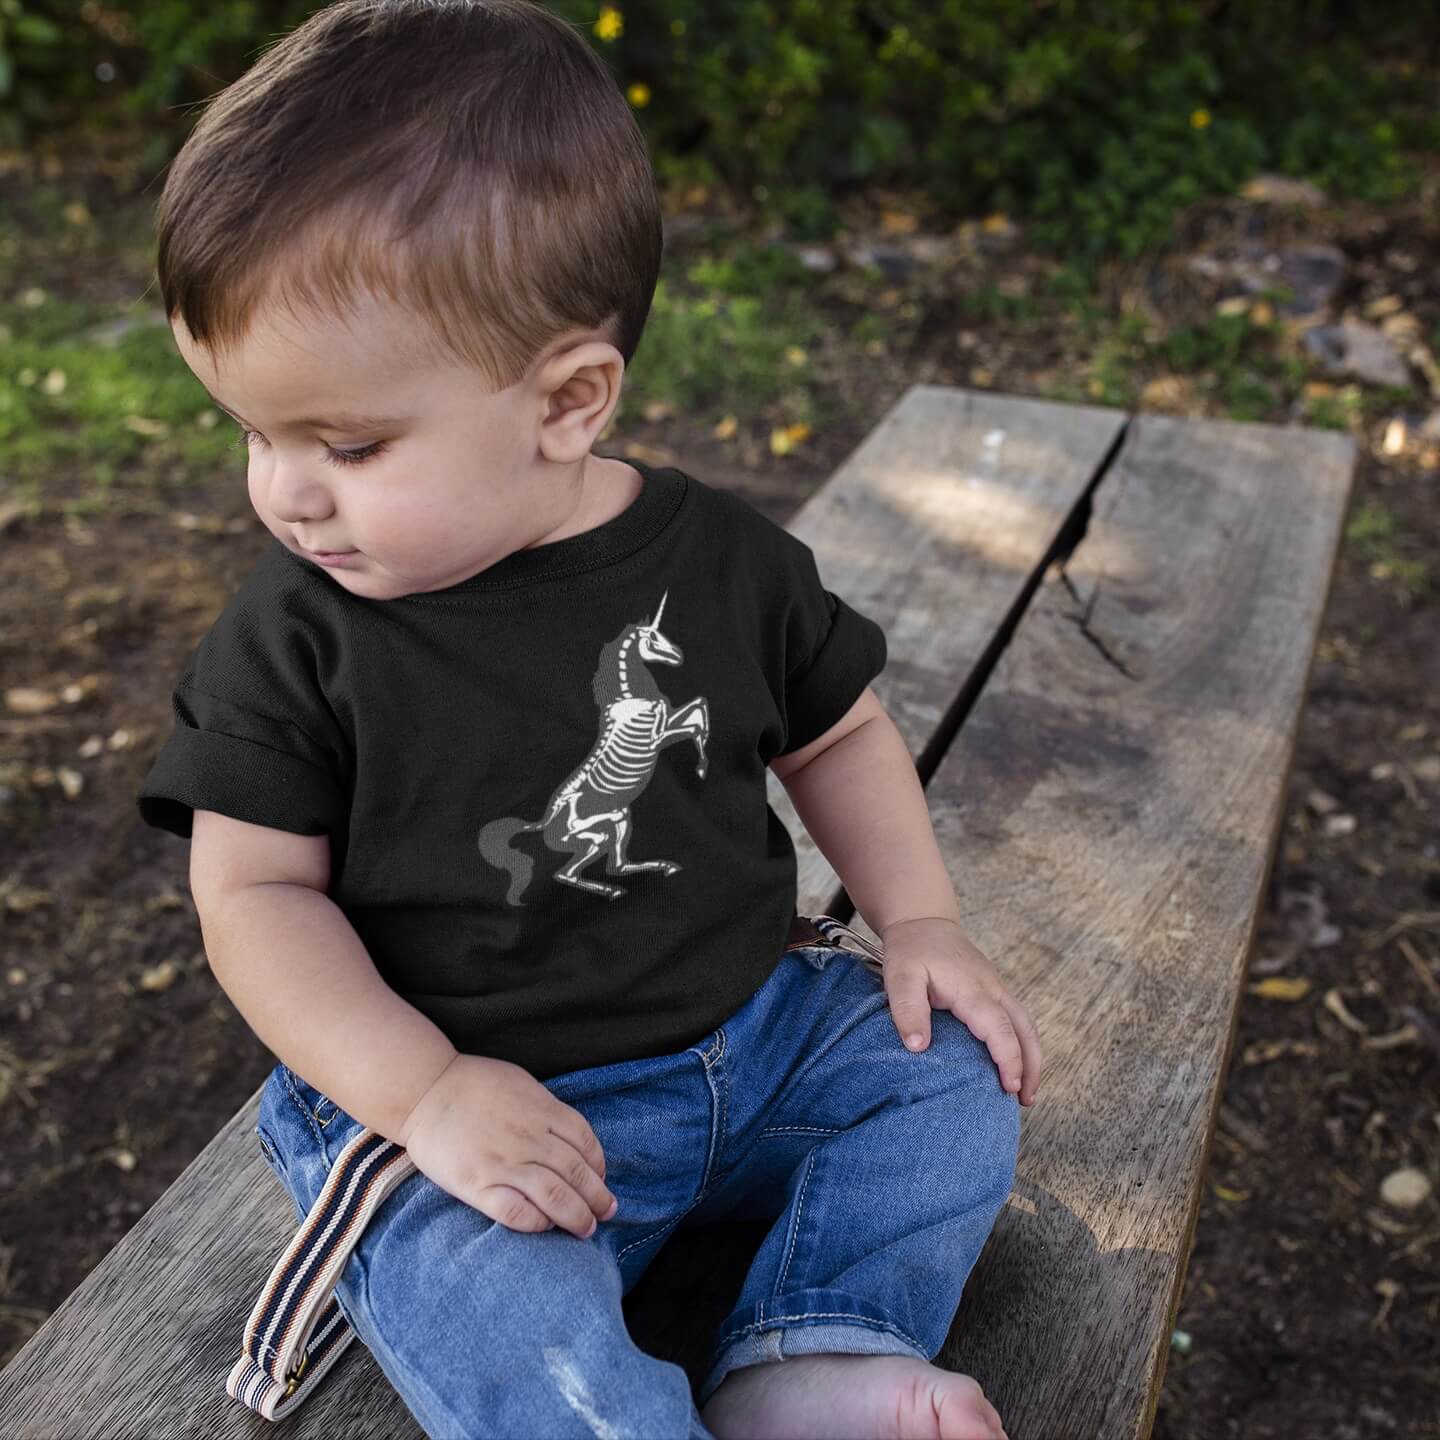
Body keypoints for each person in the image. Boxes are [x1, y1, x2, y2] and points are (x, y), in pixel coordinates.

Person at [135, 2, 1042, 1436]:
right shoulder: (299, 632)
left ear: (568, 399)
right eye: (254, 432)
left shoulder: (722, 563)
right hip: (468, 1099)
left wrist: (920, 926)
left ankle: (811, 1352)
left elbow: (839, 735)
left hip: (756, 1036)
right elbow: (248, 893)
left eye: (349, 445)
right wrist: (422, 1091)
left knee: (955, 1086)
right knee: (486, 1296)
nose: (284, 493)